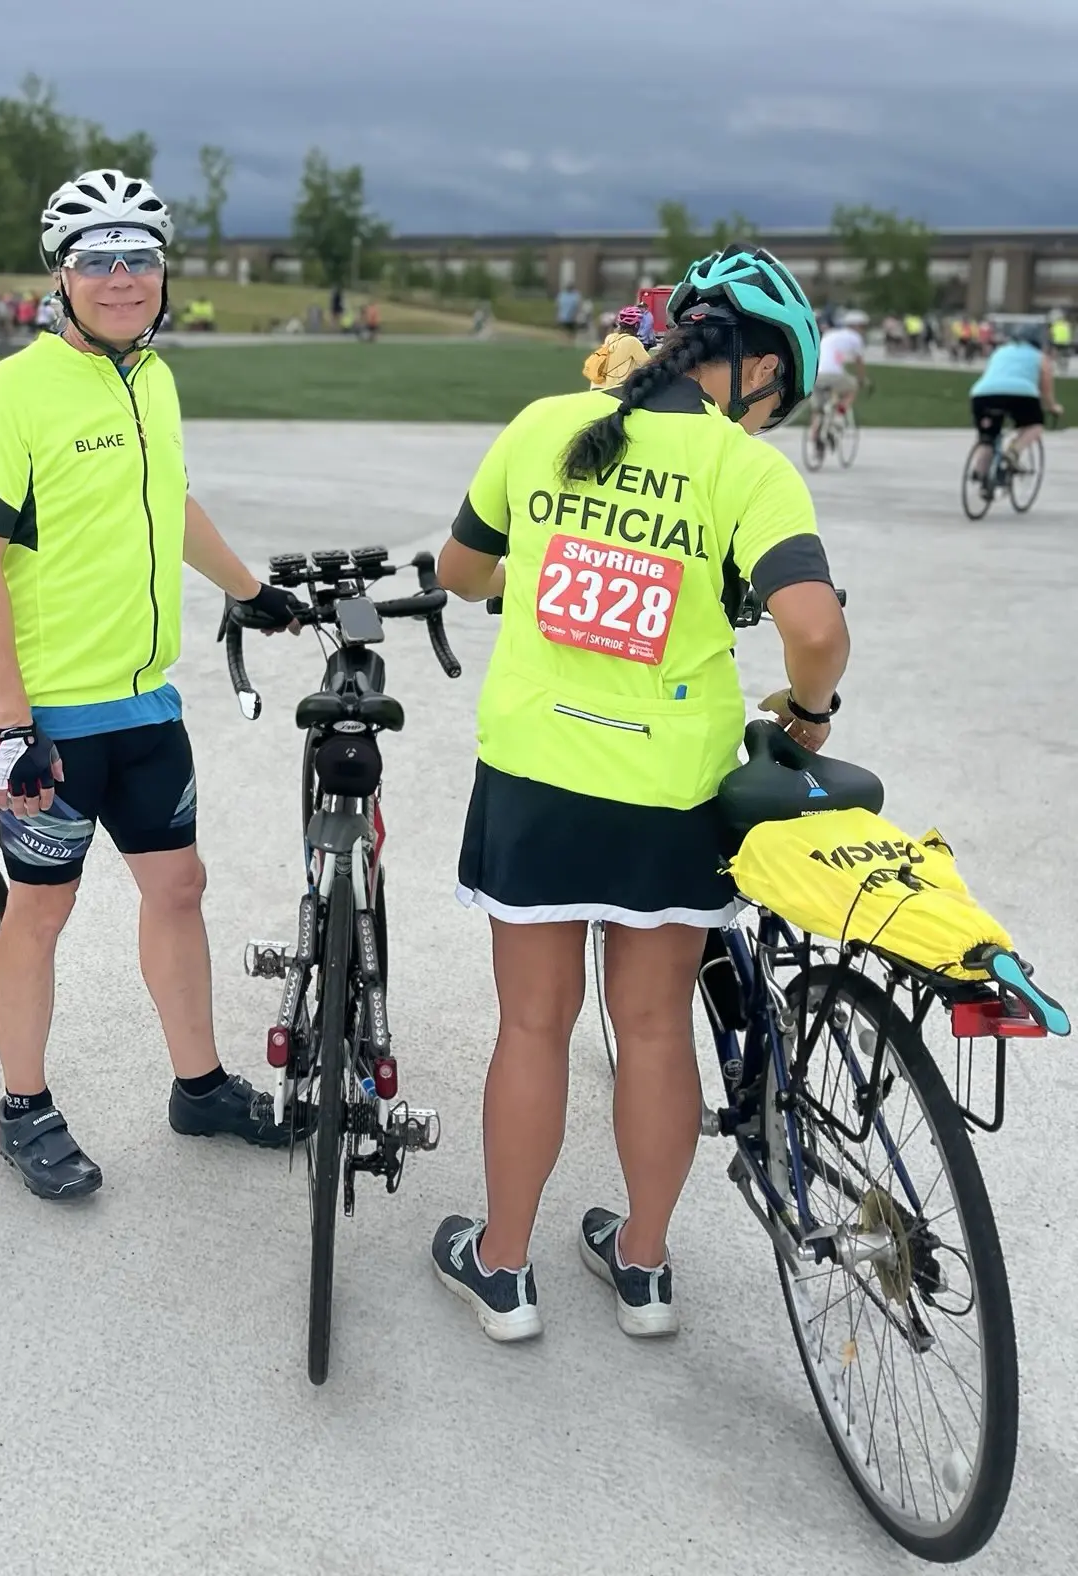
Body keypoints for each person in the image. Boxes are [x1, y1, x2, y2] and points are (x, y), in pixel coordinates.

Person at [429, 244, 847, 1342]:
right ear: (753, 367)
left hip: (537, 775)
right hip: (671, 787)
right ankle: (644, 1268)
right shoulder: (744, 471)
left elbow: (457, 574)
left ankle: (505, 1268)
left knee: (532, 1025)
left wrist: (547, 572)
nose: (773, 417)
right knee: (654, 1029)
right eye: (779, 395)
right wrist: (808, 716)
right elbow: (813, 630)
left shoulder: (540, 427)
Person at [0, 168, 312, 1202]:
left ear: (161, 272)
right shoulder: (12, 392)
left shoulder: (152, 379)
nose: (120, 278)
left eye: (138, 258)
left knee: (178, 886)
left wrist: (249, 591)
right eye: (97, 260)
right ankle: (24, 1106)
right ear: (62, 275)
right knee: (42, 908)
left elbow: (170, 500)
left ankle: (197, 1085)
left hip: (145, 700)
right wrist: (11, 723)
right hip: (49, 715)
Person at [967, 324, 1063, 494]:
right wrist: (1053, 408)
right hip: (1021, 394)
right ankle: (1013, 452)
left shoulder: (1000, 352)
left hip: (982, 394)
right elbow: (1046, 391)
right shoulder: (1040, 357)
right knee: (1034, 425)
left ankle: (980, 472)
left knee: (987, 436)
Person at [809, 309, 866, 447]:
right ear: (857, 326)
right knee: (852, 387)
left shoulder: (830, 334)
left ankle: (815, 435)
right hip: (833, 375)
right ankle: (840, 412)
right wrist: (861, 379)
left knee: (819, 409)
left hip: (816, 375)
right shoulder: (855, 337)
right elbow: (859, 361)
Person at [582, 305, 651, 389]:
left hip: (597, 385)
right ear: (636, 325)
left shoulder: (610, 338)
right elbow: (648, 364)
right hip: (613, 389)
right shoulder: (633, 341)